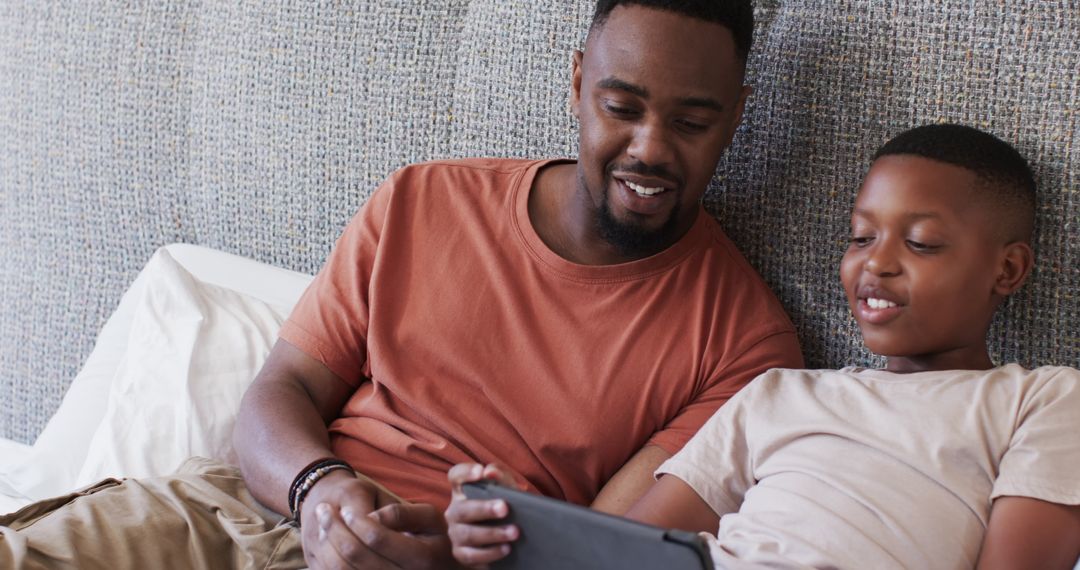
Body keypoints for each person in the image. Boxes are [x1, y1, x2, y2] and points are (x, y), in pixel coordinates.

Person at [0, 1, 803, 568]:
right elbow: (275, 396)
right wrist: (320, 492)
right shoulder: (425, 200)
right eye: (621, 106)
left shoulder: (746, 346)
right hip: (254, 508)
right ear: (577, 83)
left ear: (736, 115)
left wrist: (465, 545)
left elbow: (599, 546)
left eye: (693, 123)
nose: (649, 149)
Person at [446, 123, 1080, 569]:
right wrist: (524, 527)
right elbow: (631, 549)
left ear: (1008, 270)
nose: (875, 265)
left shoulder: (1043, 399)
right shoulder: (782, 390)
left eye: (921, 244)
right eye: (860, 238)